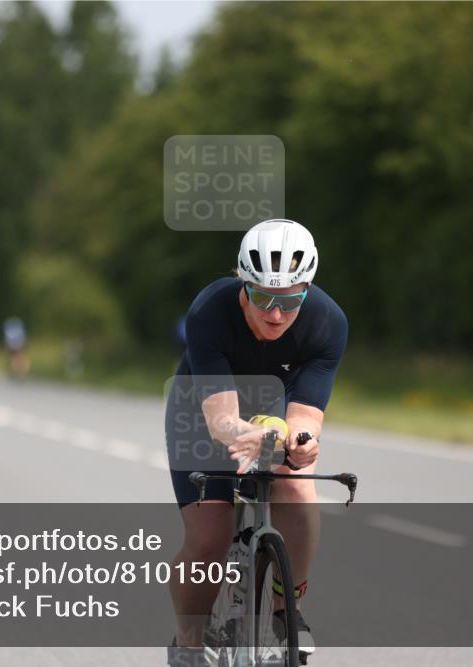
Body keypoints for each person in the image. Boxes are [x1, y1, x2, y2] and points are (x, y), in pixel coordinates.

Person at [165, 219, 347, 665]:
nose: (276, 313)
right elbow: (221, 418)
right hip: (204, 411)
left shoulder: (328, 322)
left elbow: (305, 418)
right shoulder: (210, 311)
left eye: (290, 299)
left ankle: (290, 612)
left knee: (299, 487)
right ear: (242, 284)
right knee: (210, 535)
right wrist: (247, 433)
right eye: (264, 296)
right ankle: (189, 642)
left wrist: (300, 442)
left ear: (307, 290)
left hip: (273, 413)